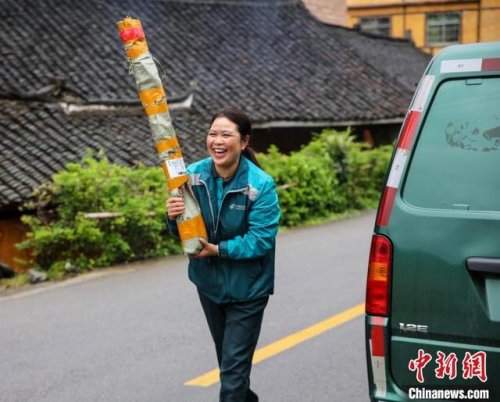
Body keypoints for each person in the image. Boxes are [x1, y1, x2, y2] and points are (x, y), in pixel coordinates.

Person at [166, 106, 280, 402]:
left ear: (244, 142)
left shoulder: (260, 185)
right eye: (212, 133)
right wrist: (173, 216)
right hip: (209, 287)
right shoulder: (192, 175)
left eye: (226, 135)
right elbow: (185, 230)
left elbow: (261, 240)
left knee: (231, 379)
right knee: (230, 369)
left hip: (248, 291)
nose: (217, 141)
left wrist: (218, 250)